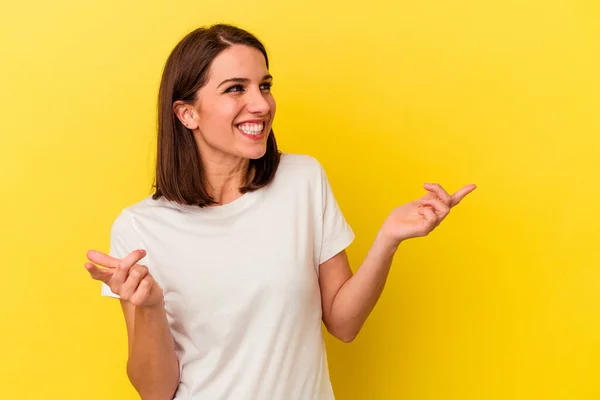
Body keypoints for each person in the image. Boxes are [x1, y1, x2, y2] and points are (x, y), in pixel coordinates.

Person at [84, 24, 476, 400]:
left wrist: (389, 238)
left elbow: (344, 323)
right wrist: (149, 307)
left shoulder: (302, 180)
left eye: (264, 86)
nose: (261, 104)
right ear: (187, 114)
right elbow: (155, 392)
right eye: (236, 88)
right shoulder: (140, 227)